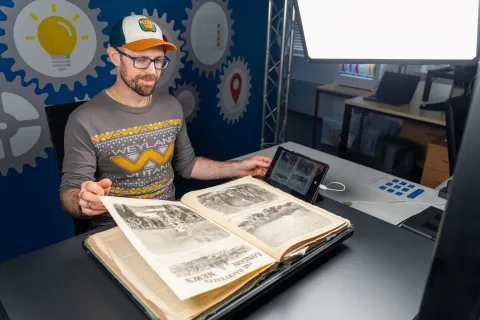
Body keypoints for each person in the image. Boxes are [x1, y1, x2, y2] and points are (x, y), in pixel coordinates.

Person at [59, 15, 271, 228]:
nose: (152, 71)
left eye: (158, 60)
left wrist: (239, 168)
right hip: (117, 229)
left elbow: (186, 164)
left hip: (171, 222)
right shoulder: (83, 119)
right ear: (115, 56)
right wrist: (82, 200)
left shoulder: (171, 106)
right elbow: (70, 192)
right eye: (140, 59)